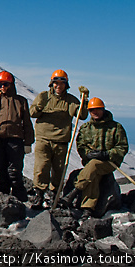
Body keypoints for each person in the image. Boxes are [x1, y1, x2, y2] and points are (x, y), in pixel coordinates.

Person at [29, 70, 89, 208]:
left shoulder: (70, 100)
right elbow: (32, 113)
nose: (58, 86)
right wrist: (40, 105)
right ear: (52, 83)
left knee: (58, 170)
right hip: (43, 139)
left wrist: (84, 100)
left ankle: (53, 194)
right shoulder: (43, 96)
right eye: (56, 83)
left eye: (62, 83)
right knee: (41, 167)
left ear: (66, 85)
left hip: (61, 141)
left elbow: (82, 115)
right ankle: (39, 195)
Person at [63, 97, 128, 219]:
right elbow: (81, 145)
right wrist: (87, 153)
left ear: (103, 109)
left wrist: (107, 154)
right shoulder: (86, 128)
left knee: (93, 165)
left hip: (109, 162)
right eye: (92, 110)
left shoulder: (115, 127)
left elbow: (122, 147)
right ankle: (88, 209)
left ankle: (74, 192)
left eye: (97, 109)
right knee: (93, 173)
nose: (95, 112)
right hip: (91, 164)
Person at [0, 71, 35, 202]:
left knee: (14, 172)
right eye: (0, 85)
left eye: (5, 84)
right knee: (0, 171)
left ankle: (20, 200)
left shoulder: (20, 101)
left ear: (11, 84)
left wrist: (28, 142)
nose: (3, 87)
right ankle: (3, 202)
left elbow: (27, 122)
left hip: (16, 140)